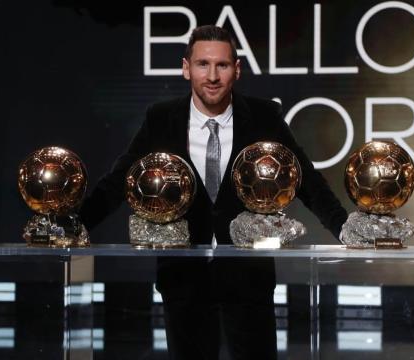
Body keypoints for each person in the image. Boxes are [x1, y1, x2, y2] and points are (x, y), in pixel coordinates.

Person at [79, 25, 348, 360]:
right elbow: (120, 180)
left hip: (248, 278)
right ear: (186, 68)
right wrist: (76, 225)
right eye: (203, 64)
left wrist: (344, 228)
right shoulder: (162, 118)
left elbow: (307, 180)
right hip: (183, 280)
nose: (212, 76)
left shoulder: (264, 116)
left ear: (236, 70)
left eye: (221, 65)